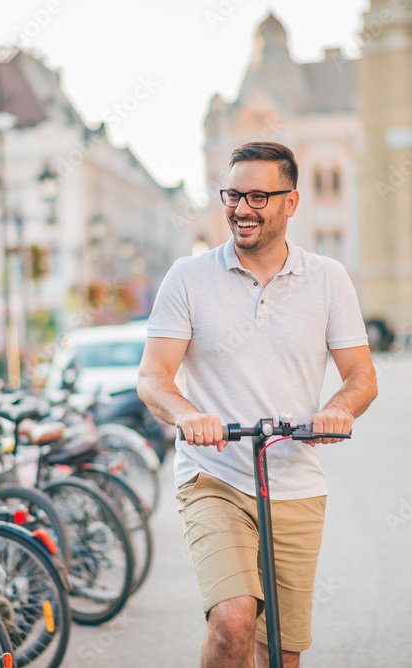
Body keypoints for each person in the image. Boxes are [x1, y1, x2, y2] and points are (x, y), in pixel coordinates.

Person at [137, 141, 378, 668]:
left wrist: (339, 408)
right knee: (231, 621)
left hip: (295, 479)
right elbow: (154, 377)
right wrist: (187, 414)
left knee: (281, 655)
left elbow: (361, 375)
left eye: (258, 197)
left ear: (291, 202)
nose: (241, 209)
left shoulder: (328, 279)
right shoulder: (189, 277)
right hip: (214, 477)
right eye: (233, 195)